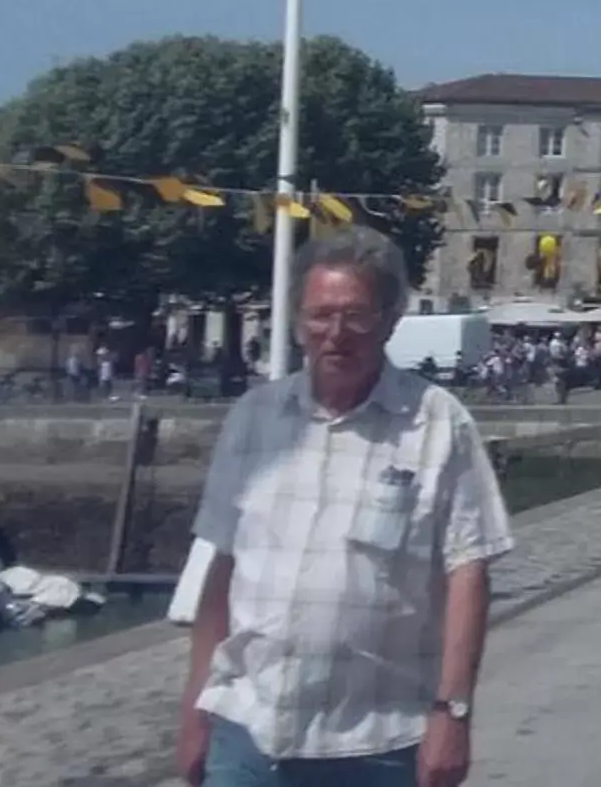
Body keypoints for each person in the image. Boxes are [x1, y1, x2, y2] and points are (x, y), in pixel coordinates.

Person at [175, 228, 512, 787]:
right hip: (247, 732)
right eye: (319, 316)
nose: (335, 334)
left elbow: (469, 573)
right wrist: (194, 708)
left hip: (376, 743)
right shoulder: (253, 419)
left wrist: (453, 713)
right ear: (298, 322)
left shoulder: (438, 424)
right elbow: (222, 569)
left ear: (389, 318)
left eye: (355, 316)